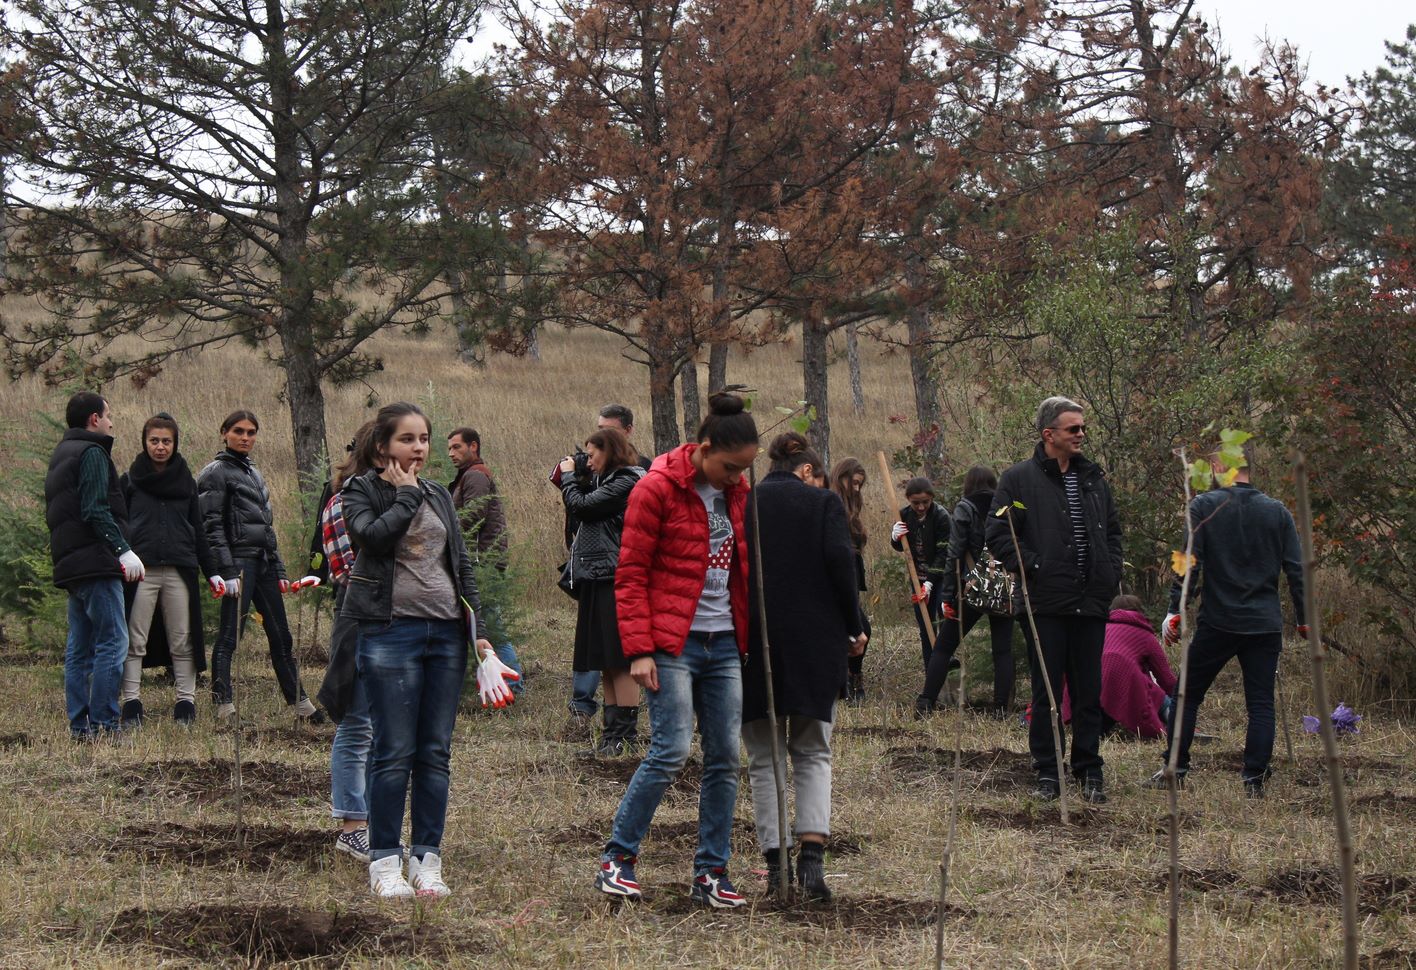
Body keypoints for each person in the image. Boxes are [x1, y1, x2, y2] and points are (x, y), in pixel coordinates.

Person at [341, 402, 515, 899]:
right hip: (389, 632)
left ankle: (426, 860)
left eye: (423, 439)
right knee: (393, 751)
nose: (418, 448)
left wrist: (477, 630)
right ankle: (384, 862)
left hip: (445, 635)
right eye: (407, 439)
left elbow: (460, 565)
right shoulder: (361, 490)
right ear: (382, 446)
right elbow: (371, 539)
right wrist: (404, 496)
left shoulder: (438, 492)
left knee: (435, 752)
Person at [596, 392, 758, 908]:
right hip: (672, 644)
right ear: (704, 449)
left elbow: (745, 570)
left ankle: (711, 872)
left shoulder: (738, 493)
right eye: (729, 467)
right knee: (670, 750)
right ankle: (617, 859)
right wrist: (639, 649)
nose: (736, 478)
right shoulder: (656, 487)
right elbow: (631, 574)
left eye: (744, 470)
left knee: (725, 756)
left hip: (724, 643)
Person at [743, 433, 865, 900]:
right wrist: (854, 627)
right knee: (813, 751)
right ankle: (812, 860)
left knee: (764, 758)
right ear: (808, 470)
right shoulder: (823, 504)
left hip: (754, 640)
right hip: (815, 642)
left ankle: (777, 865)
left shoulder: (744, 502)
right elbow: (841, 565)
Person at [985, 396, 1123, 804]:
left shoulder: (1093, 479)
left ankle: (1089, 768)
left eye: (1083, 428)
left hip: (1091, 600)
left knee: (1088, 691)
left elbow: (1113, 531)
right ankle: (1048, 770)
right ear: (1049, 434)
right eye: (1073, 428)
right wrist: (1034, 566)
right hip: (1045, 601)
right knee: (1047, 691)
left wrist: (1110, 570)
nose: (1081, 434)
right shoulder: (1018, 480)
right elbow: (997, 533)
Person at [1146, 445, 1305, 798]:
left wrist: (1176, 607)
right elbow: (1296, 570)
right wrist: (1304, 618)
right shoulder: (1277, 511)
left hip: (1219, 621)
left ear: (1220, 467)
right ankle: (1254, 780)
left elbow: (1188, 562)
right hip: (1264, 624)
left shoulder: (1204, 506)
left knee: (1186, 695)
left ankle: (1175, 768)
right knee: (1260, 703)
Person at [198, 410, 322, 722]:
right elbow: (211, 526)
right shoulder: (215, 473)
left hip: (262, 562)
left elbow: (266, 527)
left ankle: (301, 706)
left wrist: (278, 569)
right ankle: (224, 707)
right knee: (230, 636)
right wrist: (227, 571)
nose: (245, 437)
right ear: (224, 433)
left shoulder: (253, 472)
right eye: (238, 431)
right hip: (238, 563)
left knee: (281, 635)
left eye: (251, 432)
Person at [46, 391, 145, 739]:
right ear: (94, 419)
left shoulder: (61, 453)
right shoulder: (91, 452)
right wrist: (122, 550)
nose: (111, 422)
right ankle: (104, 724)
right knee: (113, 642)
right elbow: (94, 509)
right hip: (96, 563)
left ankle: (80, 727)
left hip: (72, 564)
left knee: (79, 648)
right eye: (108, 415)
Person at [118, 413, 226, 726]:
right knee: (134, 638)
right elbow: (119, 524)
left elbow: (198, 530)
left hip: (180, 570)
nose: (160, 447)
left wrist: (212, 571)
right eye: (154, 440)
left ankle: (185, 704)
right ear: (144, 442)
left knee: (182, 639)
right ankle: (131, 704)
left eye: (166, 441)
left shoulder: (187, 483)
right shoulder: (129, 481)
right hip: (141, 571)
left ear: (175, 443)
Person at [558, 404, 652, 731]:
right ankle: (613, 732)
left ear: (609, 451)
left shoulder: (627, 479)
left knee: (619, 658)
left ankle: (624, 732)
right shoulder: (608, 480)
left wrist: (569, 477)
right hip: (598, 574)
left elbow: (582, 507)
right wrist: (577, 477)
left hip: (615, 576)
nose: (588, 461)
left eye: (592, 454)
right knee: (606, 660)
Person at [313, 422, 376, 863]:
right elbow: (350, 572)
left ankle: (374, 822)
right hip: (359, 619)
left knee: (381, 731)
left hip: (397, 623)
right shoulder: (342, 502)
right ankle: (353, 827)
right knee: (357, 725)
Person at [916, 465, 1016, 719]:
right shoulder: (1006, 507)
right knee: (1003, 650)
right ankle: (1001, 709)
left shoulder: (965, 508)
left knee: (944, 646)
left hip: (971, 589)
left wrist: (947, 595)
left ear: (968, 485)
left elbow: (955, 554)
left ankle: (925, 703)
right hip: (1002, 588)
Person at [448, 426, 523, 695]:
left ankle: (513, 684)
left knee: (491, 626)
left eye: (457, 447)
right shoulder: (469, 475)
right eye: (449, 448)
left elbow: (472, 516)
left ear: (474, 446)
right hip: (482, 559)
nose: (451, 453)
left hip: (482, 561)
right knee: (486, 624)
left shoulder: (476, 475)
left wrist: (444, 530)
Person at [1060, 594, 1176, 739]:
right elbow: (1166, 678)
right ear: (1139, 612)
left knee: (1096, 728)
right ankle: (1177, 722)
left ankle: (1094, 731)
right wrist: (1183, 700)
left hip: (1087, 688)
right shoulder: (1145, 635)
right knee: (1159, 698)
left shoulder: (1097, 630)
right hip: (1122, 684)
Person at [889, 477, 951, 670]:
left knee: (944, 622)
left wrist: (930, 583)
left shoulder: (941, 517)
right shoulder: (904, 515)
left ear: (932, 498)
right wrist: (895, 537)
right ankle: (931, 671)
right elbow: (901, 547)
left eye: (925, 502)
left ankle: (946, 665)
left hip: (940, 578)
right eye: (916, 503)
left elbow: (944, 553)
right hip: (917, 579)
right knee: (926, 627)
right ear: (908, 499)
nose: (921, 507)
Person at [829, 458, 872, 703]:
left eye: (859, 484)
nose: (856, 489)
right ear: (841, 477)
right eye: (854, 482)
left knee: (857, 628)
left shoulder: (851, 506)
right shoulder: (831, 503)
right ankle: (849, 679)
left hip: (852, 572)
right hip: (839, 573)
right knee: (860, 628)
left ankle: (852, 679)